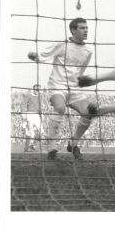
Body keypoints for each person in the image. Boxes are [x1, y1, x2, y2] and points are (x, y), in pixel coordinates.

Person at [27, 17, 93, 160]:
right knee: (60, 108)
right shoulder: (62, 45)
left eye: (86, 28)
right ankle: (50, 147)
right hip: (57, 85)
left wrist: (81, 82)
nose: (86, 30)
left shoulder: (88, 51)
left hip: (74, 89)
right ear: (73, 30)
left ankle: (73, 144)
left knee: (90, 111)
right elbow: (43, 56)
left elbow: (81, 72)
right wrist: (34, 56)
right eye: (82, 28)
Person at [21, 84, 44, 152]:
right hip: (30, 114)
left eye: (39, 90)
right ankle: (26, 148)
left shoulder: (40, 96)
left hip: (37, 115)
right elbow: (23, 104)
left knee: (41, 132)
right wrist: (23, 114)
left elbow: (39, 106)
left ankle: (33, 145)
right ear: (33, 89)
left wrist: (41, 114)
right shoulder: (29, 95)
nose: (38, 91)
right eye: (36, 90)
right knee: (31, 133)